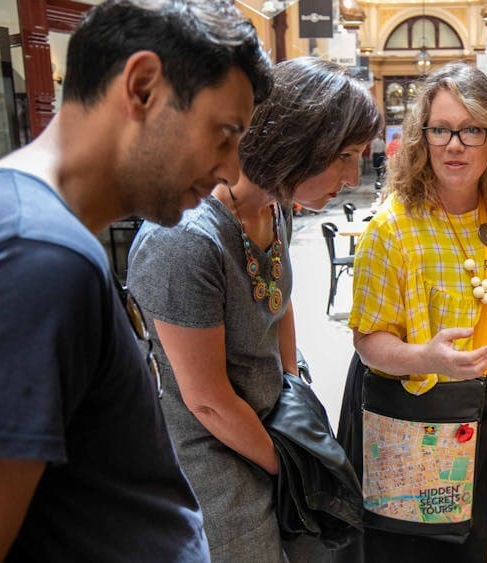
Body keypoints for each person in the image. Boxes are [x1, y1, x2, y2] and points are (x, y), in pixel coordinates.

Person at [0, 1, 271, 560]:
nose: (231, 169)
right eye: (224, 133)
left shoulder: (30, 234)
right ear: (142, 87)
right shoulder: (24, 255)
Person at [126, 57, 380, 562]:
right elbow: (206, 401)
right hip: (212, 459)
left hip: (269, 427)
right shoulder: (183, 240)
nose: (352, 177)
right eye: (344, 156)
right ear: (297, 142)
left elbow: (279, 304)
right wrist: (293, 467)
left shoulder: (272, 205)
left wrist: (292, 386)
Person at [344, 61, 487, 563]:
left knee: (477, 546)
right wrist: (429, 358)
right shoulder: (392, 229)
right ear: (421, 138)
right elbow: (368, 342)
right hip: (417, 427)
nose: (455, 145)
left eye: (472, 130)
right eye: (441, 130)